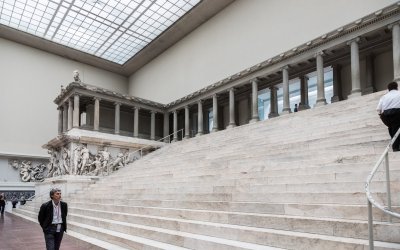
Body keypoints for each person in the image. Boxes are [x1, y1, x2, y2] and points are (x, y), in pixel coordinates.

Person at [377, 81, 400, 151]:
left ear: (388, 89)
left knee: (391, 128)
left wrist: (381, 116)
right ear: (396, 87)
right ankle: (395, 147)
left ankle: (395, 144)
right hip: (397, 113)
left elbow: (378, 109)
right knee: (395, 129)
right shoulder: (399, 93)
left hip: (386, 115)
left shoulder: (384, 97)